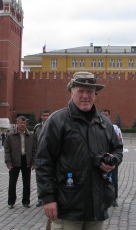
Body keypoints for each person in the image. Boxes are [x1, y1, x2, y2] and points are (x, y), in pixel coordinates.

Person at [36, 72, 123, 230]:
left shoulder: (104, 122)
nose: (85, 96)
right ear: (71, 92)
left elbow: (118, 149)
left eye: (90, 92)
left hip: (97, 204)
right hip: (67, 205)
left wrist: (112, 161)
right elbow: (44, 162)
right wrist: (48, 198)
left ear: (95, 95)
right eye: (80, 91)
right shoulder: (57, 121)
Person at [4, 116, 37, 209]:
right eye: (20, 123)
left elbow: (35, 150)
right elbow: (7, 150)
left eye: (24, 123)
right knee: (12, 182)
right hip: (14, 161)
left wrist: (34, 162)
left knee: (27, 182)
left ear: (26, 124)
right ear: (17, 124)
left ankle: (26, 201)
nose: (22, 125)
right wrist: (8, 162)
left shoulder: (31, 135)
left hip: (26, 160)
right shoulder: (10, 135)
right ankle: (11, 201)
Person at [100, 108, 123, 207]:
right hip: (100, 158)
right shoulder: (97, 127)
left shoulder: (115, 128)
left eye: (106, 115)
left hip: (112, 158)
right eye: (102, 115)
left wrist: (116, 158)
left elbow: (120, 143)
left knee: (113, 180)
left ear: (109, 116)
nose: (104, 116)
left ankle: (114, 199)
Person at [33, 109, 51, 207]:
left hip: (50, 155)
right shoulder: (37, 127)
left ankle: (50, 198)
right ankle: (40, 198)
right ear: (41, 117)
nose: (46, 117)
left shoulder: (53, 125)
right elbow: (34, 142)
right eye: (44, 115)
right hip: (39, 156)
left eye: (47, 115)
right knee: (40, 178)